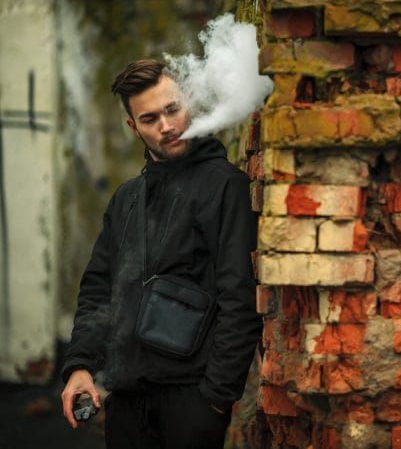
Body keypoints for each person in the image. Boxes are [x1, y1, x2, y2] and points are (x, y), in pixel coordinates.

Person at [60, 59, 261, 449]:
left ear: (189, 102)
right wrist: (81, 365)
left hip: (192, 402)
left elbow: (241, 298)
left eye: (173, 109)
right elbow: (98, 290)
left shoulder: (226, 187)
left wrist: (216, 399)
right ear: (133, 126)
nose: (166, 126)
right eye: (150, 118)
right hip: (126, 400)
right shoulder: (125, 199)